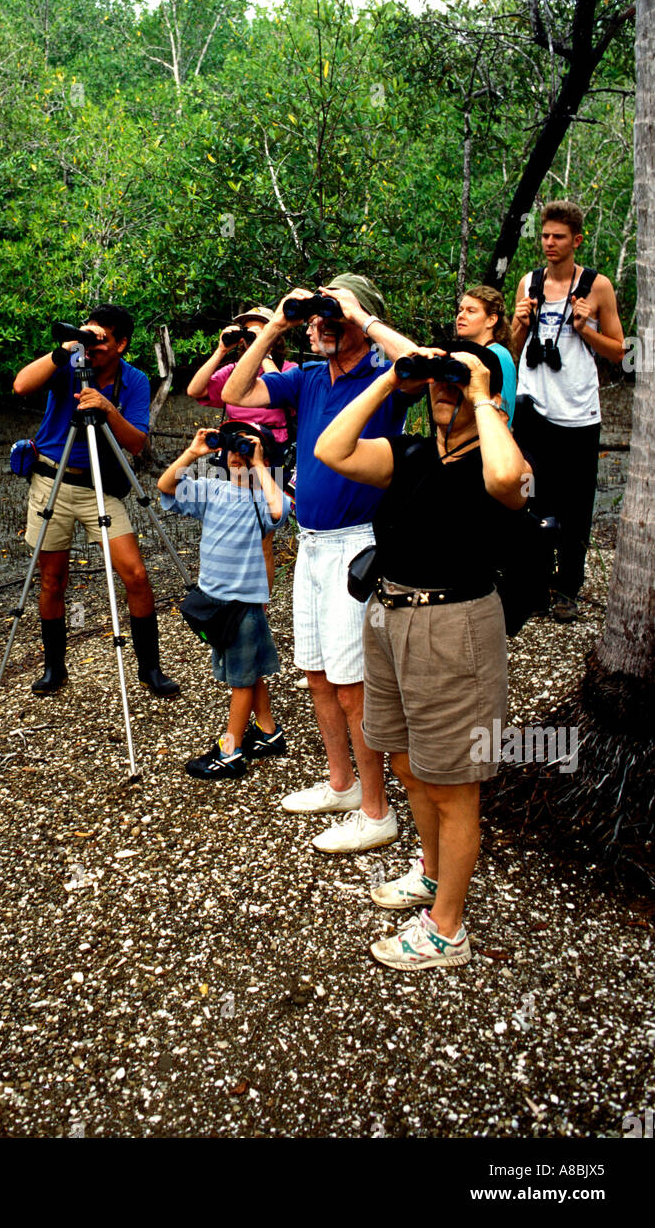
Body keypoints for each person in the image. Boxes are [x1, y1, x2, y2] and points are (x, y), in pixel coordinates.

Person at [314, 340, 531, 969]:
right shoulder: (409, 454)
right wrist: (391, 382)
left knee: (453, 781)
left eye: (456, 382)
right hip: (388, 617)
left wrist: (484, 394)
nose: (445, 390)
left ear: (488, 393)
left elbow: (506, 483)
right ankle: (434, 874)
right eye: (440, 381)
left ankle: (447, 930)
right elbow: (331, 450)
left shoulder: (500, 458)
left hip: (454, 626)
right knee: (408, 762)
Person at [222, 274, 414, 851]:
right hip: (311, 542)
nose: (320, 324)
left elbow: (421, 364)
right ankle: (342, 785)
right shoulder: (306, 378)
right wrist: (277, 323)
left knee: (355, 686)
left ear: (360, 320)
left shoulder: (384, 376)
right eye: (316, 316)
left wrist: (364, 317)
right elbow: (236, 390)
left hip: (360, 544)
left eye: (334, 316)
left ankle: (377, 812)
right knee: (317, 673)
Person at [12, 303, 179, 699]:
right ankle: (55, 667)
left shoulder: (133, 381)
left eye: (102, 340)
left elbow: (138, 443)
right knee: (53, 579)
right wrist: (64, 350)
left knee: (136, 575)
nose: (93, 347)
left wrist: (106, 408)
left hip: (100, 487)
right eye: (90, 336)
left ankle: (150, 668)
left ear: (121, 344)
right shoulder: (68, 365)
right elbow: (20, 386)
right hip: (52, 478)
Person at [511, 201, 624, 623]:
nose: (549, 244)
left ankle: (568, 587)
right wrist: (521, 323)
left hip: (577, 411)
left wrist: (584, 329)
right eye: (544, 236)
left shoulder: (597, 286)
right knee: (530, 496)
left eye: (558, 237)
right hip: (532, 406)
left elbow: (620, 352)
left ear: (577, 240)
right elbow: (512, 348)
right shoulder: (529, 282)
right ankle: (535, 584)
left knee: (576, 506)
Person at [157, 421, 289, 780]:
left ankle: (230, 751)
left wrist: (260, 465)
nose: (237, 455)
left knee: (242, 680)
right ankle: (267, 730)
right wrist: (194, 452)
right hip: (216, 602)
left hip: (240, 605)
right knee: (248, 669)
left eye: (245, 448)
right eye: (233, 447)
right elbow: (165, 486)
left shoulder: (262, 498)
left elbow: (280, 513)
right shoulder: (211, 491)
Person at [187, 307, 297, 591]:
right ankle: (227, 596)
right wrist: (222, 350)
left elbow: (285, 391)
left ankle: (258, 606)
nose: (250, 338)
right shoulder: (234, 373)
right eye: (246, 333)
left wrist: (265, 352)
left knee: (263, 535)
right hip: (233, 455)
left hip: (269, 456)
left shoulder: (289, 370)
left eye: (258, 331)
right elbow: (195, 391)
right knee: (229, 527)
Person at [455, 285, 517, 427]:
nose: (461, 316)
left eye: (471, 311)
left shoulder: (499, 355)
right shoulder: (473, 353)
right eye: (461, 310)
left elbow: (503, 415)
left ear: (491, 320)